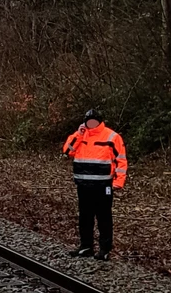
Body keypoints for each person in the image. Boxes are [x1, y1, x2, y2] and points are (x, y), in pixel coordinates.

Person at [63, 109, 127, 261]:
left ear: (99, 121)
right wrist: (78, 134)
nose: (91, 124)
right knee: (85, 217)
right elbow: (67, 151)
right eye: (88, 121)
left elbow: (121, 160)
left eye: (94, 121)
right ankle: (86, 246)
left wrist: (118, 181)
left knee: (104, 217)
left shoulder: (112, 136)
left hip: (103, 185)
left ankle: (104, 249)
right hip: (83, 185)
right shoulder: (81, 135)